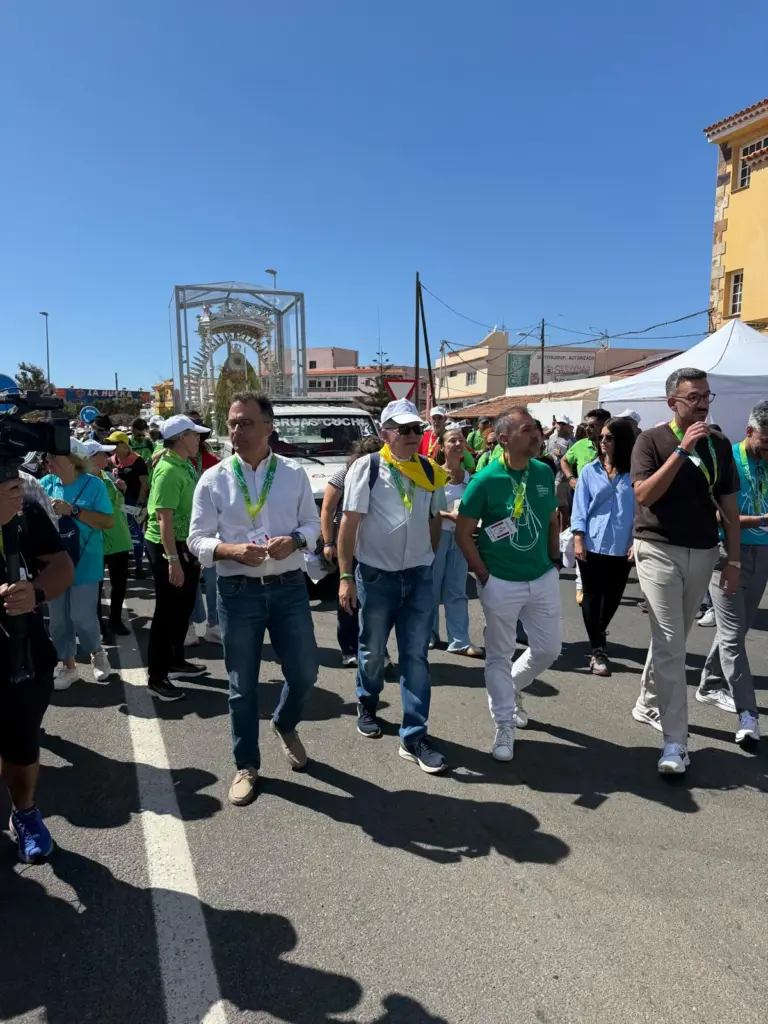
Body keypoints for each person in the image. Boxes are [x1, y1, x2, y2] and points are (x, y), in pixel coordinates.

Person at [188, 392, 321, 807]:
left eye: (245, 423)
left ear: (268, 427)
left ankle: (284, 722)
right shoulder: (213, 478)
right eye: (231, 423)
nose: (235, 431)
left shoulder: (294, 473)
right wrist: (230, 551)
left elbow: (312, 524)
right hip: (237, 592)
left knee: (304, 672)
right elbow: (196, 539)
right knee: (241, 686)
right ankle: (246, 764)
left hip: (288, 589)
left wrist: (296, 540)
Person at [630, 368, 740, 774]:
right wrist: (681, 451)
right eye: (693, 397)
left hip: (703, 551)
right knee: (673, 642)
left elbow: (729, 507)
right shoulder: (650, 441)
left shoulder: (720, 445)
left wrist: (733, 560)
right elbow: (643, 493)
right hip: (657, 549)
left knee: (672, 638)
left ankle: (646, 700)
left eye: (706, 396)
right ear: (672, 403)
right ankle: (676, 742)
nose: (702, 403)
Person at [338, 398, 449, 773]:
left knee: (416, 656)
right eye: (403, 429)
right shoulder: (367, 468)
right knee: (371, 651)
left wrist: (427, 559)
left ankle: (414, 734)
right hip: (376, 576)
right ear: (385, 433)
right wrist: (344, 576)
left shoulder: (430, 472)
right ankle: (367, 702)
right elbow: (348, 525)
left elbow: (435, 520)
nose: (412, 435)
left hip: (418, 576)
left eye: (417, 429)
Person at [456, 408, 561, 762]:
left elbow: (551, 517)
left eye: (536, 429)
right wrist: (485, 576)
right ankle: (504, 723)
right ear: (504, 439)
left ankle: (509, 688)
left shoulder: (544, 472)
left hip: (542, 577)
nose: (537, 435)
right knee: (498, 655)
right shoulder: (485, 480)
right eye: (528, 430)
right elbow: (463, 533)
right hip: (501, 581)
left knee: (548, 649)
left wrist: (553, 559)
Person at [0, 477, 74, 862]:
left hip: (22, 653)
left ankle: (24, 813)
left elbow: (61, 566)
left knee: (20, 744)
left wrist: (38, 592)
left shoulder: (22, 506)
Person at [695, 401, 768, 744]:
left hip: (762, 552)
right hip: (727, 552)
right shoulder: (727, 458)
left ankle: (710, 683)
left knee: (735, 628)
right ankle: (748, 715)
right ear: (750, 431)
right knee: (734, 637)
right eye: (765, 442)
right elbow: (717, 516)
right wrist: (763, 521)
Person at [144, 414, 210, 701]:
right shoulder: (169, 470)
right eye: (195, 434)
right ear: (182, 437)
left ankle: (175, 660)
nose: (199, 439)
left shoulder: (182, 463)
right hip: (168, 546)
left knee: (182, 608)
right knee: (167, 613)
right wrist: (173, 559)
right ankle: (157, 677)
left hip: (185, 545)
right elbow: (163, 518)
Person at [40, 439, 115, 689]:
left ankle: (96, 651)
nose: (47, 461)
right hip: (53, 563)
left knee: (82, 616)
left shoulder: (94, 485)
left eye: (53, 456)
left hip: (86, 561)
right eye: (47, 457)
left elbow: (107, 522)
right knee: (59, 620)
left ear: (72, 459)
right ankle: (68, 666)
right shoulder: (44, 484)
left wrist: (72, 511)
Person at [571, 418, 636, 676]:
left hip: (622, 545)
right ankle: (597, 649)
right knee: (591, 594)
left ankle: (597, 632)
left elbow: (641, 509)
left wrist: (636, 539)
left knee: (613, 597)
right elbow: (580, 506)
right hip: (592, 542)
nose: (603, 441)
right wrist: (578, 538)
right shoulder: (589, 471)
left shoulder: (635, 473)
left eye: (609, 437)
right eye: (601, 438)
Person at [320, 435, 385, 667]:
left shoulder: (386, 476)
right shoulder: (344, 475)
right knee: (348, 599)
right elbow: (327, 509)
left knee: (377, 603)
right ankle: (349, 649)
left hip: (377, 548)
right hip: (348, 545)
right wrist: (329, 542)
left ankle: (378, 651)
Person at [431, 426, 483, 656]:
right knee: (430, 588)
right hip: (437, 536)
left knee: (457, 589)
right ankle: (428, 635)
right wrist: (446, 515)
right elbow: (426, 509)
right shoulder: (433, 475)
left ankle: (459, 641)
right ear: (442, 447)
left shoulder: (471, 479)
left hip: (461, 539)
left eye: (460, 440)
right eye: (452, 440)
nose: (457, 444)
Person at [560, 408, 612, 604]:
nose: (588, 429)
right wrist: (571, 478)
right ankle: (581, 585)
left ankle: (601, 583)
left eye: (593, 425)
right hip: (583, 500)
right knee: (581, 539)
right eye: (586, 425)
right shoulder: (581, 445)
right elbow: (565, 460)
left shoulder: (614, 446)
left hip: (607, 502)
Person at [84, 440, 133, 640]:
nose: (107, 457)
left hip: (119, 538)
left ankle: (115, 620)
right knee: (94, 586)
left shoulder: (108, 476)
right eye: (102, 454)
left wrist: (122, 488)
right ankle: (99, 625)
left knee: (119, 583)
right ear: (90, 458)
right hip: (96, 540)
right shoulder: (85, 482)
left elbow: (118, 505)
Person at [188, 432, 221, 645]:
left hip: (211, 528)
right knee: (190, 582)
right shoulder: (172, 462)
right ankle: (191, 625)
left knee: (213, 580)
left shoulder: (213, 461)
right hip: (185, 530)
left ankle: (214, 625)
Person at [107, 430, 149, 578]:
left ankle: (138, 566)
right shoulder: (110, 461)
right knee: (122, 535)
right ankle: (125, 565)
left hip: (133, 502)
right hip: (117, 504)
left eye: (114, 443)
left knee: (136, 534)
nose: (111, 446)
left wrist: (140, 503)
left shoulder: (138, 461)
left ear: (125, 445)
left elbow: (144, 485)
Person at [547, 416, 574, 530]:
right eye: (559, 423)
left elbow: (572, 460)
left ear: (567, 425)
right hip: (550, 475)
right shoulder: (551, 438)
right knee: (552, 504)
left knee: (563, 505)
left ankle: (563, 530)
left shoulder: (570, 441)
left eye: (563, 423)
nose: (561, 426)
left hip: (562, 477)